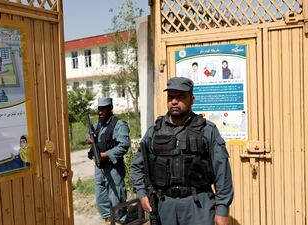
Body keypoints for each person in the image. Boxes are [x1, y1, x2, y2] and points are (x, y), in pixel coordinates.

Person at [130, 77, 234, 225]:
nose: (174, 101)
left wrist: (222, 209)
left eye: (180, 97)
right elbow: (137, 166)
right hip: (164, 206)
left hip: (198, 206)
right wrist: (141, 193)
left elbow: (222, 171)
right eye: (171, 97)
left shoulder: (207, 130)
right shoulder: (154, 131)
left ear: (192, 99)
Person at [86, 97, 130, 224]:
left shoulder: (119, 125)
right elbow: (89, 134)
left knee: (117, 195)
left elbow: (124, 146)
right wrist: (88, 138)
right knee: (101, 194)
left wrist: (107, 154)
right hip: (99, 166)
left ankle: (120, 219)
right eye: (99, 109)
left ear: (111, 108)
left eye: (104, 108)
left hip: (113, 166)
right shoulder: (98, 124)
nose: (101, 112)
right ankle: (107, 218)